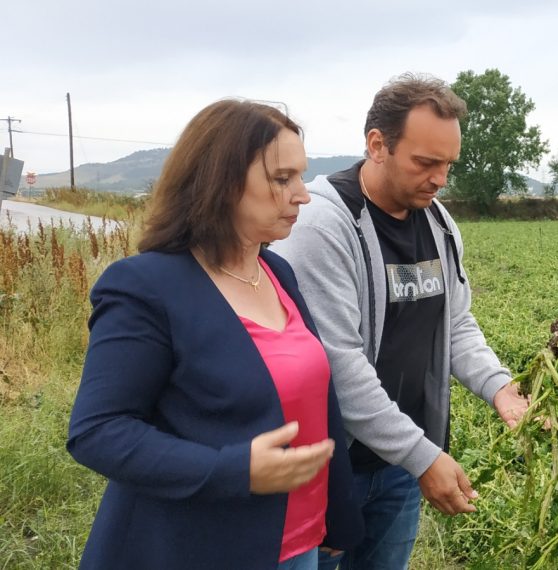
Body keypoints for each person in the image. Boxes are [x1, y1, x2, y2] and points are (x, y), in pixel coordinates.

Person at [68, 100, 363, 570]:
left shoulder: (277, 272)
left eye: (301, 177)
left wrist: (336, 516)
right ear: (221, 183)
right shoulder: (146, 287)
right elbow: (97, 431)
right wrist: (233, 470)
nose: (302, 196)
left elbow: (318, 404)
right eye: (282, 178)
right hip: (201, 547)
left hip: (299, 543)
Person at [271, 73, 528, 570]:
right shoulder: (325, 225)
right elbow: (338, 363)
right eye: (426, 162)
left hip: (399, 466)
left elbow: (455, 324)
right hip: (330, 465)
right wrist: (423, 456)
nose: (440, 179)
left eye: (448, 164)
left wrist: (500, 388)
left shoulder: (438, 223)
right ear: (377, 145)